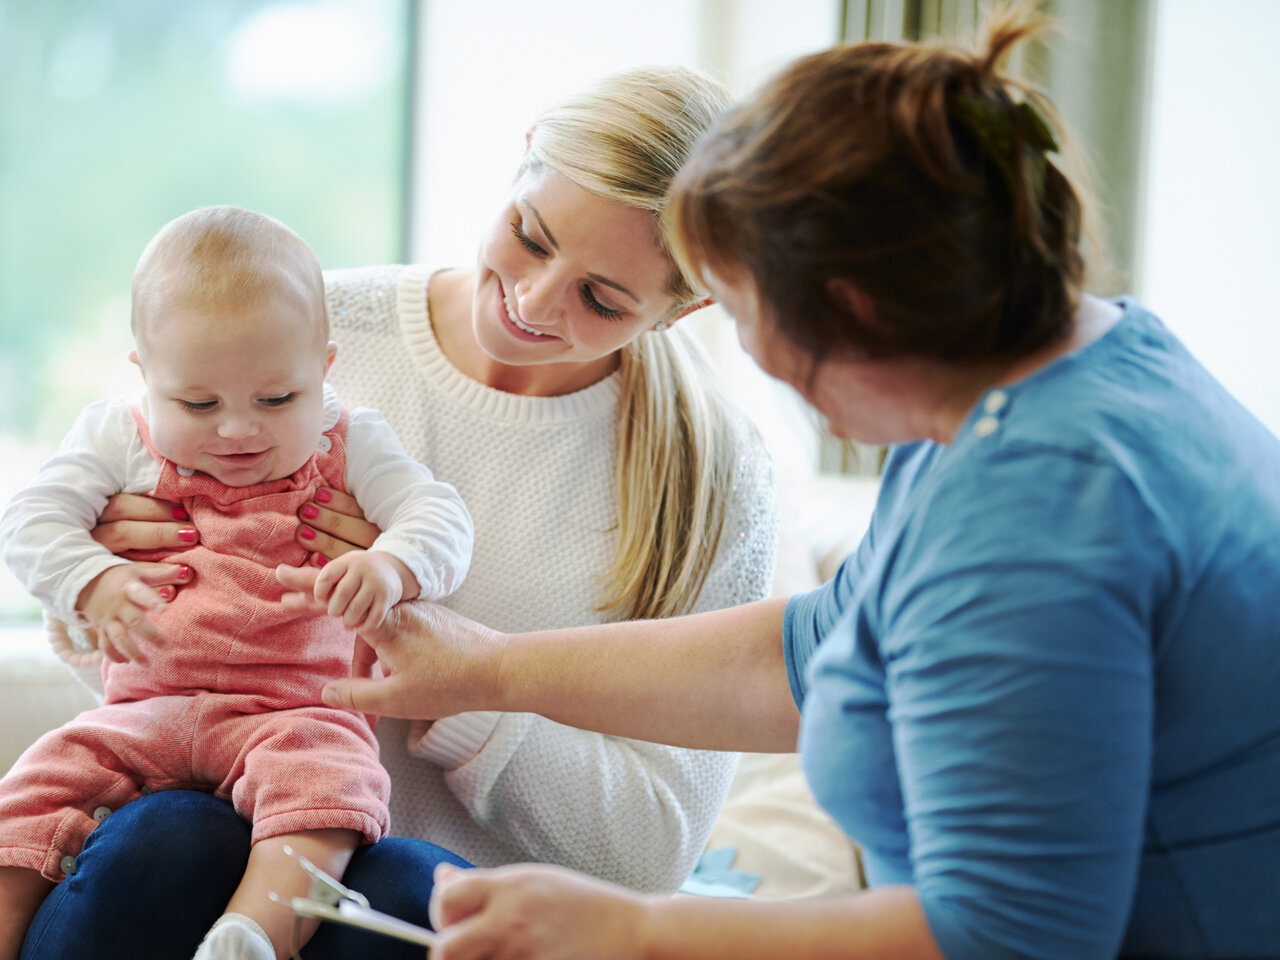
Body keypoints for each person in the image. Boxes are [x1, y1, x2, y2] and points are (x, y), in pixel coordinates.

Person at [294, 7, 1280, 960]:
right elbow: (819, 647)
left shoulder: (1043, 515)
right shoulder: (1052, 370)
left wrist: (631, 934)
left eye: (735, 305)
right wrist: (489, 669)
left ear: (847, 311)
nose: (751, 359)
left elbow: (1007, 937)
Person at [19, 68, 779, 959]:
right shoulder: (293, 325)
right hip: (205, 840)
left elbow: (653, 851)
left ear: (686, 308)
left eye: (602, 299)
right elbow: (120, 651)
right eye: (530, 238)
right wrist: (102, 584)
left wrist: (470, 684)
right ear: (524, 151)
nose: (532, 303)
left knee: (416, 894)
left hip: (439, 911)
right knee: (164, 840)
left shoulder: (713, 475)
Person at [0, 206, 474, 960]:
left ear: (324, 370)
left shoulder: (350, 441)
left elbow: (440, 516)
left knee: (331, 788)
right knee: (37, 788)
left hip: (290, 711)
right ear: (145, 377)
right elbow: (29, 519)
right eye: (198, 404)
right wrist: (88, 580)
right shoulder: (117, 434)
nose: (238, 431)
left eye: (276, 400)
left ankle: (254, 933)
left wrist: (393, 563)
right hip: (144, 712)